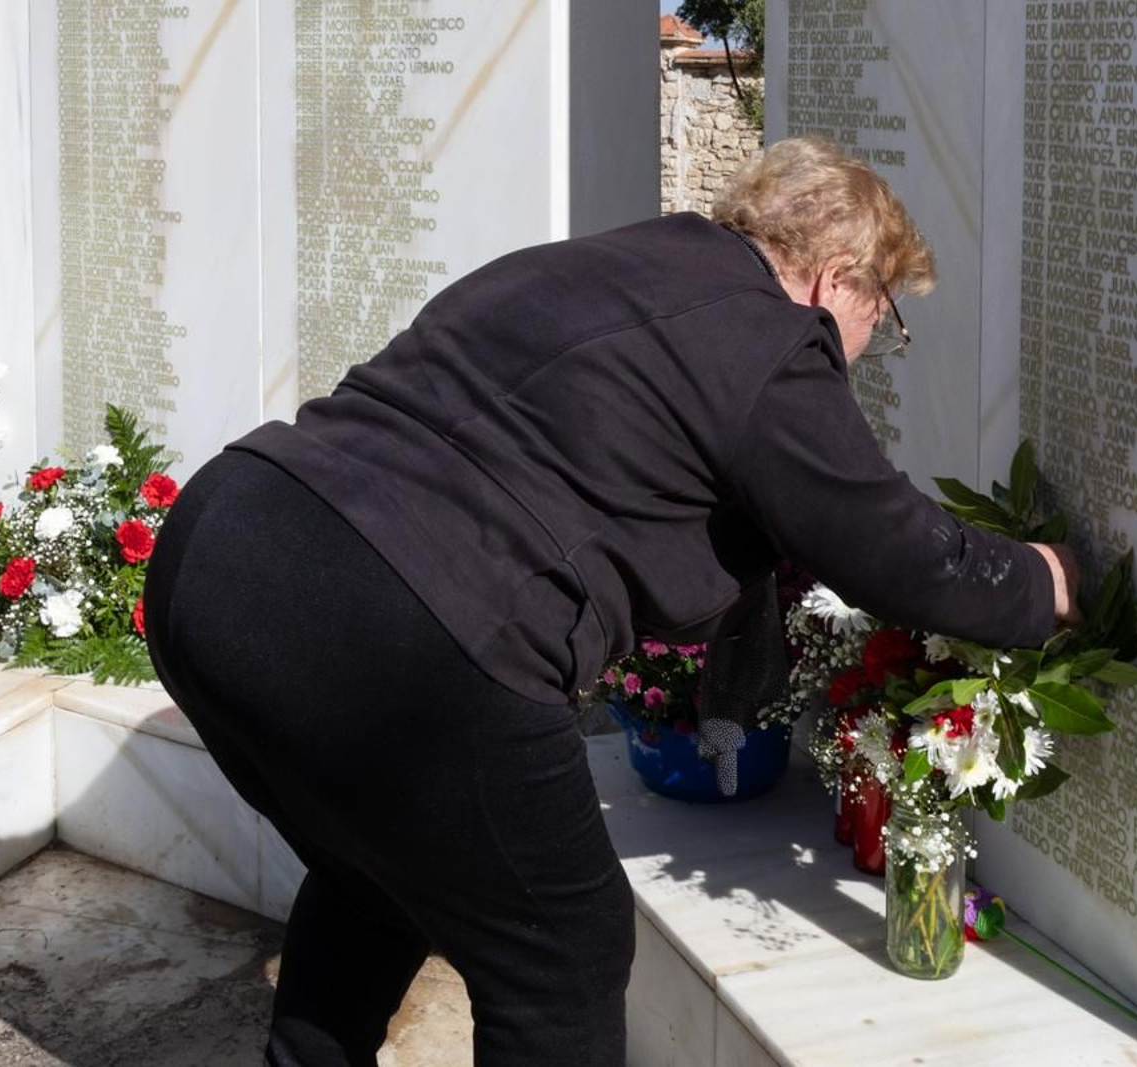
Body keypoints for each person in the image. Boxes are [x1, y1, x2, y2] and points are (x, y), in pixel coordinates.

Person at [142, 137, 1079, 1067]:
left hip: (221, 548)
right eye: (884, 320)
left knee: (375, 872)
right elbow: (886, 546)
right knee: (564, 953)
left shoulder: (604, 261)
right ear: (839, 279)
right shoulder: (767, 335)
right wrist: (1043, 581)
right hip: (412, 627)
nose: (869, 349)